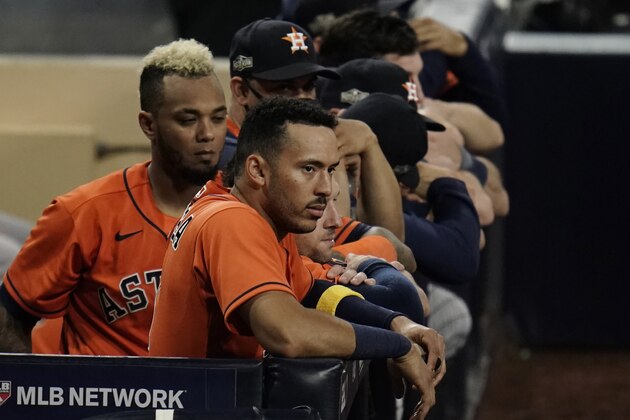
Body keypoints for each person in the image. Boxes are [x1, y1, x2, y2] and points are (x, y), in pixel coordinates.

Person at [149, 97, 445, 420]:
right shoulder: (231, 220)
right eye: (309, 169)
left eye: (330, 170)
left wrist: (397, 324)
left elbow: (312, 292)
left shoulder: (267, 221)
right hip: (191, 408)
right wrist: (394, 345)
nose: (326, 187)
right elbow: (287, 332)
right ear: (258, 170)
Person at [0, 38, 228, 355]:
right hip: (110, 402)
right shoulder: (83, 212)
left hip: (212, 400)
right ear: (148, 125)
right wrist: (27, 396)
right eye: (188, 120)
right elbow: (9, 316)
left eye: (218, 118)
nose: (207, 134)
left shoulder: (246, 209)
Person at [221, 17, 405, 239]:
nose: (301, 100)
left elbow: (396, 238)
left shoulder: (318, 136)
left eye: (309, 87)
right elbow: (325, 245)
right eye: (285, 88)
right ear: (241, 91)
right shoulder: (222, 152)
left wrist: (370, 143)